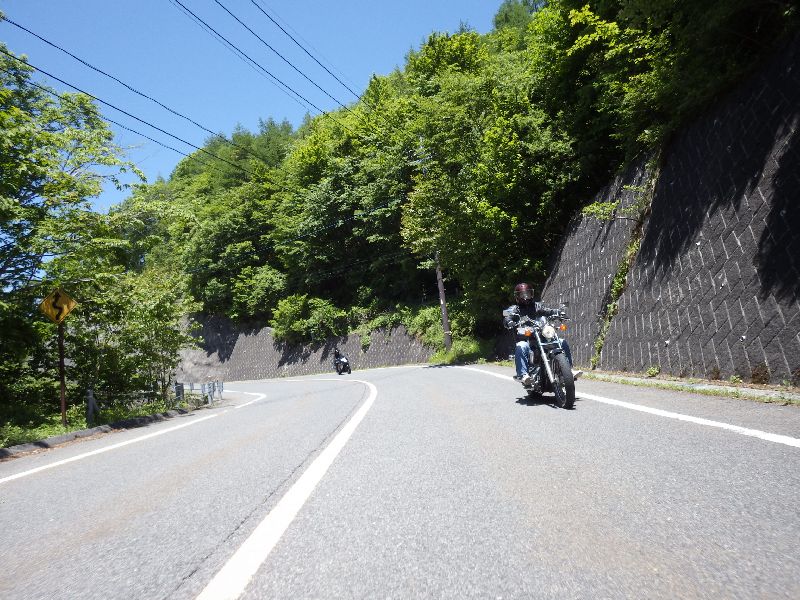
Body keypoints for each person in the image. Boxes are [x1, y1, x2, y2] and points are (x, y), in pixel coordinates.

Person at [503, 282, 582, 385]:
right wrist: (509, 321)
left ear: (532, 294)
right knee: (521, 346)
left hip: (542, 335)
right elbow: (507, 316)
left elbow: (548, 311)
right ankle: (523, 375)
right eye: (523, 295)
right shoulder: (515, 309)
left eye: (528, 294)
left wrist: (559, 312)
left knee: (562, 342)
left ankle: (569, 370)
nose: (526, 297)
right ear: (517, 296)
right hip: (527, 339)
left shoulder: (537, 306)